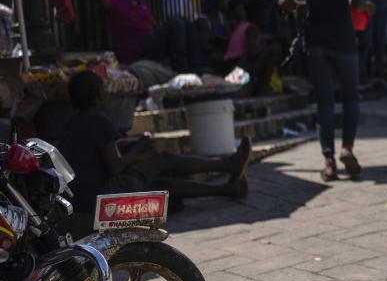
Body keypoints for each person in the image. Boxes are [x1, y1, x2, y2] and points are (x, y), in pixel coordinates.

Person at [58, 71, 252, 234]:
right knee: (163, 160)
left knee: (162, 186)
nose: (108, 93)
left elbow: (98, 155)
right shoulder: (98, 119)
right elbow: (116, 167)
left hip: (85, 198)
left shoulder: (70, 124)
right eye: (104, 89)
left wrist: (133, 149)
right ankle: (228, 164)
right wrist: (139, 147)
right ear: (96, 95)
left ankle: (228, 189)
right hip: (102, 197)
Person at [278, 0, 376, 181]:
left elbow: (283, 1)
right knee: (351, 97)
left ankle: (329, 162)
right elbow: (356, 2)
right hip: (343, 39)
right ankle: (347, 148)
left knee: (325, 102)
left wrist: (302, 6)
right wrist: (369, 7)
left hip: (316, 40)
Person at [224, 0, 282, 95]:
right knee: (275, 50)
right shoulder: (251, 28)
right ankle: (263, 87)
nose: (267, 14)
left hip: (233, 67)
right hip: (239, 69)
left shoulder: (242, 25)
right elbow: (252, 53)